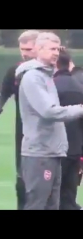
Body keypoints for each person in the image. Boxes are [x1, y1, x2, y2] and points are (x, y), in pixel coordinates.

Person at [16, 32, 83, 210]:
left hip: (53, 151)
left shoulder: (47, 77)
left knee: (53, 205)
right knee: (38, 204)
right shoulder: (33, 77)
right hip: (40, 153)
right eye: (52, 49)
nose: (56, 53)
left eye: (57, 49)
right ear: (39, 49)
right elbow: (49, 111)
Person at [0, 30, 40, 210]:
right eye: (22, 49)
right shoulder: (15, 72)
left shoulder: (53, 71)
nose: (25, 53)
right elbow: (1, 98)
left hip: (51, 134)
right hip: (23, 132)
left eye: (29, 48)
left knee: (49, 185)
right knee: (22, 182)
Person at [53, 49, 83, 210]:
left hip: (54, 150)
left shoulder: (50, 87)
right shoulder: (79, 86)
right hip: (76, 149)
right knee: (69, 198)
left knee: (51, 197)